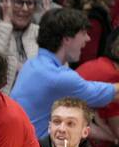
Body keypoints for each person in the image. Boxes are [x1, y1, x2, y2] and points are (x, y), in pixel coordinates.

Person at [11, 8, 119, 136]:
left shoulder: (32, 64)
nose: (88, 39)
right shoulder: (59, 78)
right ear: (67, 39)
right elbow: (111, 93)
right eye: (83, 33)